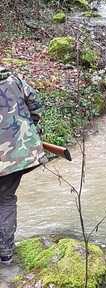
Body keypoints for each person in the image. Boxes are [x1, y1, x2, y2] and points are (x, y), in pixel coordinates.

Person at [0, 66, 47, 265]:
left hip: (12, 156)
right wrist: (28, 129)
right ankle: (5, 254)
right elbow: (36, 104)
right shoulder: (14, 79)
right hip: (17, 155)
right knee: (6, 200)